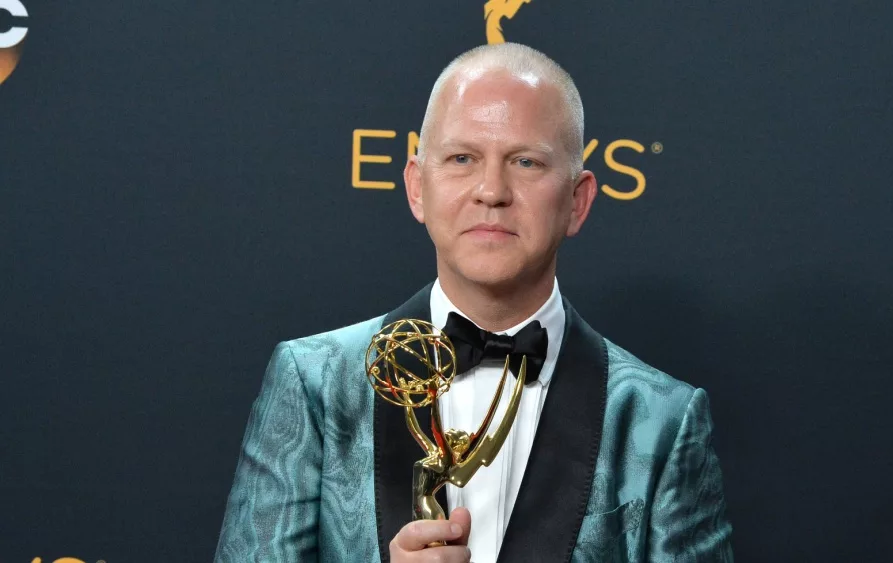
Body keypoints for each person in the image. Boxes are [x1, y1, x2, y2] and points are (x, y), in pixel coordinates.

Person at [214, 42, 733, 563]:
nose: (491, 190)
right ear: (418, 187)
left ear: (577, 202)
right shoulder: (315, 383)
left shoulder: (662, 418)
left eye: (526, 162)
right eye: (462, 158)